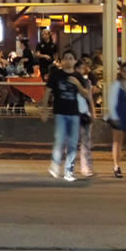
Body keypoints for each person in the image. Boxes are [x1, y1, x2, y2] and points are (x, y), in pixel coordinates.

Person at [39, 49, 89, 182]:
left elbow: (86, 94)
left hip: (74, 113)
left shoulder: (78, 76)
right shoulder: (56, 75)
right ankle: (55, 164)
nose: (68, 60)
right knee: (60, 141)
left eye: (71, 58)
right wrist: (44, 110)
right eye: (65, 58)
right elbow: (47, 92)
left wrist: (78, 84)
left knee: (73, 143)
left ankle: (69, 171)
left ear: (75, 61)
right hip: (60, 112)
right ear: (61, 61)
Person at [74, 59, 96, 178]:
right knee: (72, 142)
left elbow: (90, 96)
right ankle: (70, 166)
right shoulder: (71, 81)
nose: (82, 71)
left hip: (85, 113)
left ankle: (86, 167)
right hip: (73, 114)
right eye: (80, 68)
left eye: (83, 68)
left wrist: (93, 111)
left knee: (86, 142)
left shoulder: (87, 82)